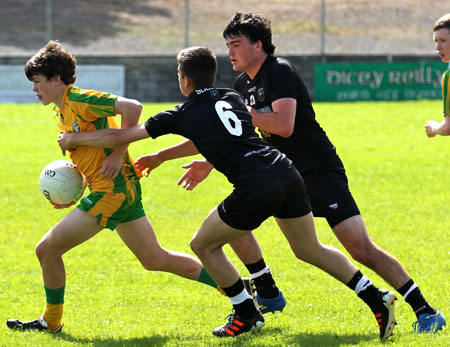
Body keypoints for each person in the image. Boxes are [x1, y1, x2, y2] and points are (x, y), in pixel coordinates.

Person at [57, 46, 397, 339]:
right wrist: (161, 156)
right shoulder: (231, 96)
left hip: (256, 185)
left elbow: (121, 137)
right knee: (309, 248)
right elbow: (211, 135)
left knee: (202, 244)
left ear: (184, 79)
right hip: (287, 171)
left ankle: (245, 312)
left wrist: (75, 139)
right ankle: (375, 297)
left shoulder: (183, 111)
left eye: (179, 73)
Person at [6, 40, 222, 333]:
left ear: (57, 79)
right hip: (115, 188)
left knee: (47, 250)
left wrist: (120, 152)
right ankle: (235, 286)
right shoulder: (61, 110)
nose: (35, 89)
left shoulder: (80, 99)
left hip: (113, 192)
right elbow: (94, 155)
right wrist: (73, 191)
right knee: (155, 258)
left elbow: (132, 107)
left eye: (38, 82)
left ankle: (51, 321)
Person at [425, 13, 450, 138]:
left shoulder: (449, 77)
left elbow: (448, 127)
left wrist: (433, 128)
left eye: (443, 41)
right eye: (436, 41)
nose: (438, 47)